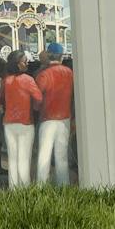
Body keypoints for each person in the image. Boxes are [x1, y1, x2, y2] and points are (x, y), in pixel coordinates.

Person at [0, 51, 44, 188]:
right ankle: (24, 188)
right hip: (25, 122)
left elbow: (1, 99)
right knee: (24, 158)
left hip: (9, 122)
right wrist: (34, 108)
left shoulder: (6, 81)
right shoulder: (28, 80)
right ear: (18, 64)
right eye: (24, 61)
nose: (27, 63)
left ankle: (13, 187)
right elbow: (39, 98)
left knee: (12, 157)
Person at [35, 42, 74, 185]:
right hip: (65, 118)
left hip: (47, 118)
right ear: (61, 56)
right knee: (61, 156)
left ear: (48, 55)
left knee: (44, 154)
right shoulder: (69, 73)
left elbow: (37, 100)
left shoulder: (43, 75)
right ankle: (64, 186)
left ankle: (41, 187)